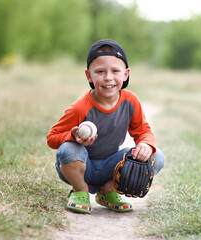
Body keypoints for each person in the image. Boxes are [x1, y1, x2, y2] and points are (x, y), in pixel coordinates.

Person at [47, 39, 165, 214]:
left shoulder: (130, 101)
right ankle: (80, 191)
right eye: (100, 71)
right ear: (89, 76)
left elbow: (142, 131)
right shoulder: (81, 107)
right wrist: (72, 136)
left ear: (126, 74)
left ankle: (108, 191)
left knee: (156, 156)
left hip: (111, 166)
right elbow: (52, 138)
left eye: (115, 71)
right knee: (68, 149)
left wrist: (145, 143)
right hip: (81, 165)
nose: (108, 77)